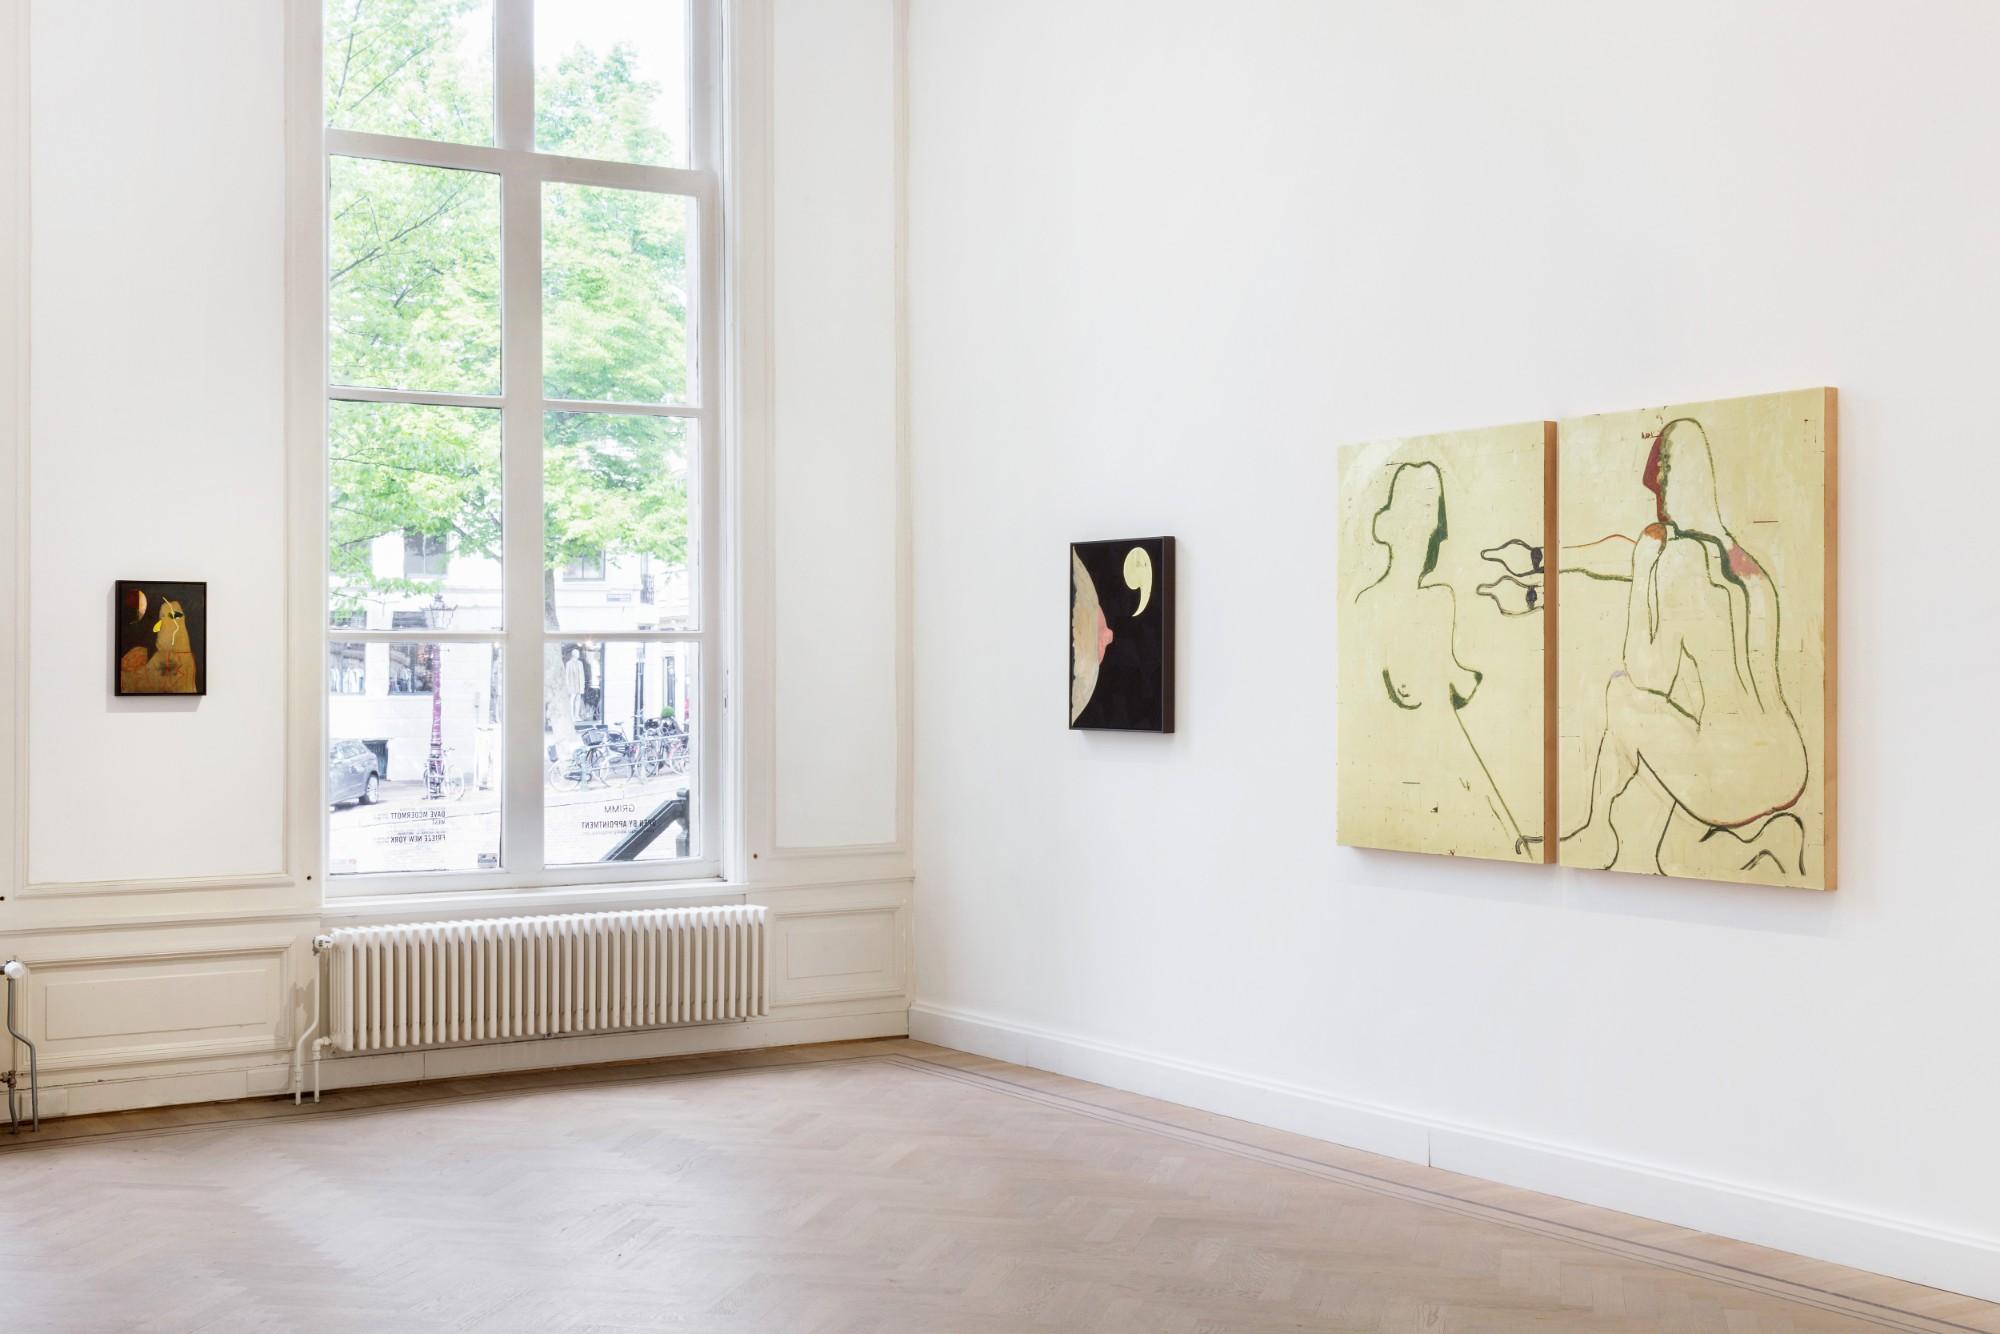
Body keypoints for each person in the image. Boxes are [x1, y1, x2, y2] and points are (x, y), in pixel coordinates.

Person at [1561, 419, 1809, 877]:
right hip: (1788, 764)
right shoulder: (1748, 568)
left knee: (1621, 694)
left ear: (1668, 480)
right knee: (1677, 852)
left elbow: (1648, 675)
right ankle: (1771, 838)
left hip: (1733, 776)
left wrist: (1643, 570)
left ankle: (1597, 829)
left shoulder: (1680, 563)